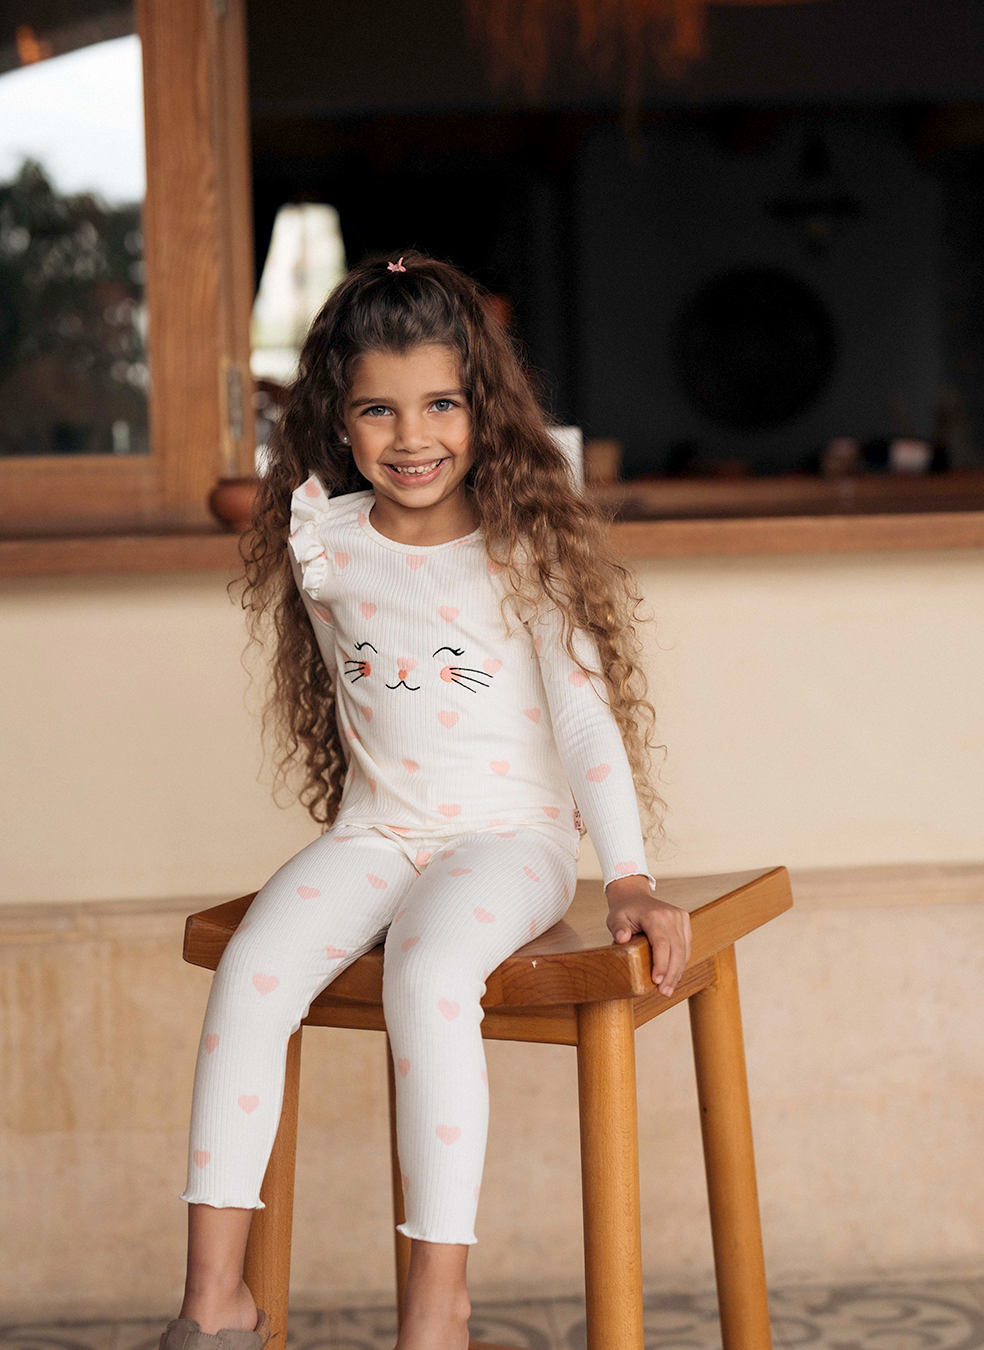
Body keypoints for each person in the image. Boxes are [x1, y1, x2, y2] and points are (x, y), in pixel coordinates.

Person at [162, 253, 692, 1350]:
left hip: (509, 839)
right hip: (376, 831)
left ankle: (437, 1307)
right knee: (254, 971)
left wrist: (630, 877)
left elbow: (585, 720)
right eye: (379, 410)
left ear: (484, 406)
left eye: (443, 403)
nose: (414, 437)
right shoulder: (323, 539)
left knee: (429, 970)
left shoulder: (523, 545)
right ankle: (214, 1303)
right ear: (338, 419)